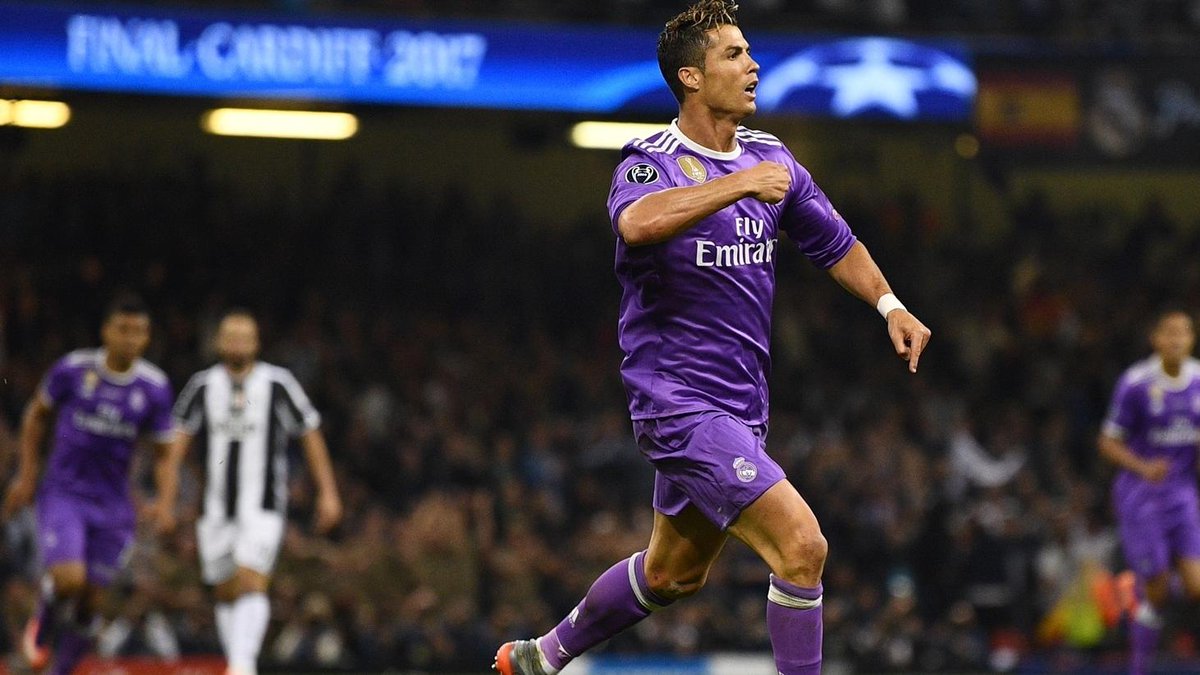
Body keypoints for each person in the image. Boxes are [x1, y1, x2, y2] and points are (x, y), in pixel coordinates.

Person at [493, 2, 931, 673]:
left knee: (671, 574)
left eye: (749, 52)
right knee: (802, 547)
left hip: (742, 406)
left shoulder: (771, 157)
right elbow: (637, 223)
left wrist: (889, 304)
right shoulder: (652, 161)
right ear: (691, 77)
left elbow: (836, 243)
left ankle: (538, 657)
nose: (753, 65)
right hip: (678, 403)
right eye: (734, 54)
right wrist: (737, 185)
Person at [1, 294, 178, 675]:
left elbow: (165, 452)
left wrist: (165, 502)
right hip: (65, 493)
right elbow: (36, 416)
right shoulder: (73, 370)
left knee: (91, 602)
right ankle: (42, 621)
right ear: (106, 331)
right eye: (123, 329)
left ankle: (59, 672)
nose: (130, 338)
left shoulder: (154, 387)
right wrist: (27, 474)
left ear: (147, 337)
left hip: (114, 506)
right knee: (69, 579)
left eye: (139, 331)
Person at [170, 309, 342, 675]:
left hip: (263, 504)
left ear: (257, 343)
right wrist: (167, 501)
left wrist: (328, 492)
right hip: (214, 508)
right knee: (225, 590)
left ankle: (241, 665)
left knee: (251, 579)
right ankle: (239, 661)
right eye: (230, 336)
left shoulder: (278, 383)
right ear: (218, 342)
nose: (237, 343)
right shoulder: (202, 385)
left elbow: (310, 432)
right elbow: (176, 443)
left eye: (244, 337)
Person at [1099, 310, 1200, 675]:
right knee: (1157, 592)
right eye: (1169, 333)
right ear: (1155, 339)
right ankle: (1138, 668)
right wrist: (1144, 468)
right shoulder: (1136, 383)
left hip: (1182, 492)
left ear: (1192, 339)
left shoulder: (1199, 380)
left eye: (1183, 333)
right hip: (1142, 495)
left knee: (1196, 586)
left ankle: (1155, 579)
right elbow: (1107, 442)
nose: (1176, 340)